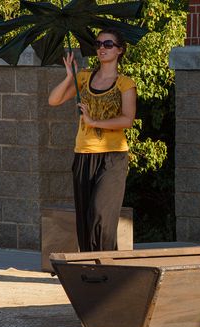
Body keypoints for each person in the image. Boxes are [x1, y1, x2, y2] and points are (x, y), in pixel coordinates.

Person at [48, 28, 137, 252]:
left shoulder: (125, 83)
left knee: (101, 214)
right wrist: (69, 77)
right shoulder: (84, 77)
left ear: (120, 50)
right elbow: (54, 100)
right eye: (98, 44)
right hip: (83, 155)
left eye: (108, 44)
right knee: (85, 219)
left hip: (113, 157)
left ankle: (107, 265)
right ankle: (89, 266)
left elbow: (127, 120)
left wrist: (94, 122)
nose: (102, 48)